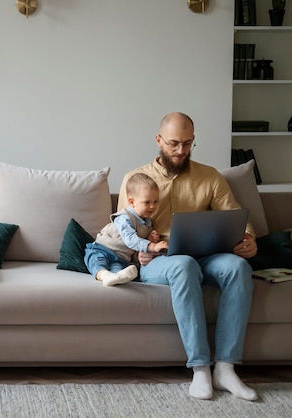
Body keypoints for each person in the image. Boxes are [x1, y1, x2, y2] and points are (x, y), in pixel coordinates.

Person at [117, 112, 258, 401]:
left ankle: (226, 368)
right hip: (161, 261)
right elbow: (123, 229)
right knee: (183, 264)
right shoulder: (135, 179)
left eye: (187, 143)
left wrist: (248, 239)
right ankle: (200, 369)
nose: (180, 151)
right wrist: (137, 252)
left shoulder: (210, 176)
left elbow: (235, 216)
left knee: (238, 268)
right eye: (173, 144)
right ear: (158, 140)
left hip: (208, 255)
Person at [84, 173, 168, 286]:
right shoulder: (124, 218)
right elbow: (131, 239)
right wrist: (152, 246)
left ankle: (115, 277)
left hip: (120, 258)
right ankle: (104, 275)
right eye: (147, 202)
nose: (152, 206)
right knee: (97, 263)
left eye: (155, 202)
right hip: (101, 249)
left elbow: (139, 245)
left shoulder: (147, 223)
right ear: (132, 202)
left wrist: (150, 237)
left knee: (118, 270)